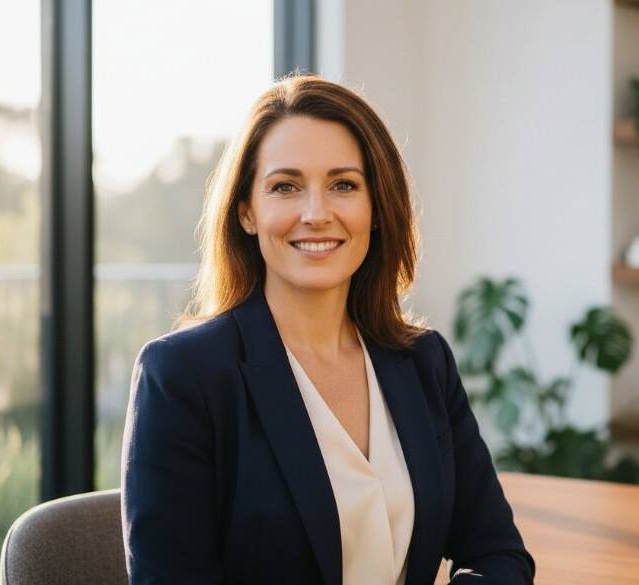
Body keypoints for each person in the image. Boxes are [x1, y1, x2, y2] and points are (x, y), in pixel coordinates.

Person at [120, 74, 535, 585]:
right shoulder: (183, 376)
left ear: (376, 208)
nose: (316, 214)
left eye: (344, 185)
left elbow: (500, 554)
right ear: (247, 211)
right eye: (285, 187)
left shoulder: (423, 361)